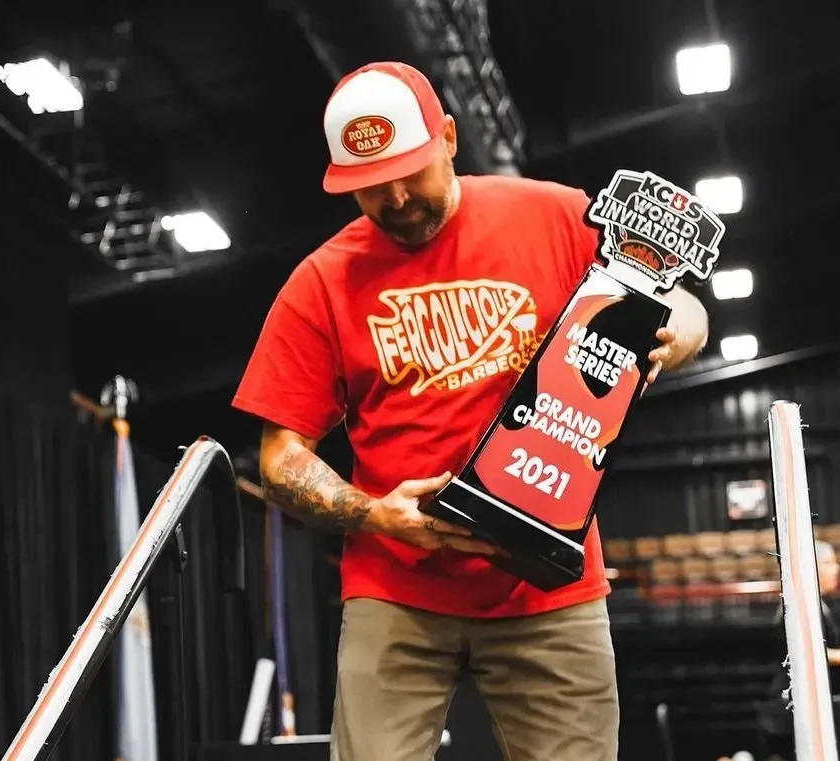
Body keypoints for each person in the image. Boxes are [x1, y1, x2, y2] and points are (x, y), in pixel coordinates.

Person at [231, 61, 709, 761]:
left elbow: (678, 298)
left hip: (550, 581)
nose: (395, 197)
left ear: (449, 137)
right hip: (395, 583)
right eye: (370, 186)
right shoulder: (320, 283)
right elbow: (280, 457)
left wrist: (687, 332)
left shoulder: (550, 215)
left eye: (411, 170)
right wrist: (373, 513)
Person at [756, 540, 840, 761]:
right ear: (814, 566)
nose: (837, 568)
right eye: (830, 563)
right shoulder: (799, 605)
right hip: (791, 699)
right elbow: (801, 650)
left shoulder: (817, 603)